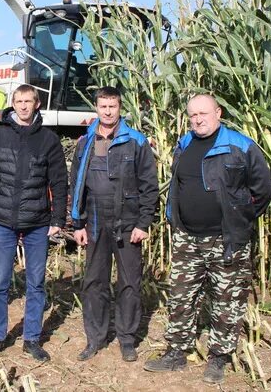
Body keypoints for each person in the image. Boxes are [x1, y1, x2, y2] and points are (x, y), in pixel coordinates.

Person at [143, 94, 271, 384]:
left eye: (203, 113)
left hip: (225, 238)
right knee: (180, 298)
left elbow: (263, 189)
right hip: (187, 238)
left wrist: (240, 216)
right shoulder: (184, 144)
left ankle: (219, 357)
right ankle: (177, 352)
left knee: (227, 301)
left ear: (219, 112)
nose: (198, 119)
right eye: (192, 115)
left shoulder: (240, 146)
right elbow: (178, 185)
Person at [0, 83, 68, 362]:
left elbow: (60, 182)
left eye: (29, 101)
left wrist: (57, 219)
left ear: (36, 104)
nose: (24, 106)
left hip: (38, 223)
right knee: (0, 283)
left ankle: (31, 339)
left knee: (36, 283)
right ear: (13, 104)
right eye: (19, 101)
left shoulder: (48, 139)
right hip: (2, 221)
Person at [69, 86, 158, 363]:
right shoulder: (85, 142)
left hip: (127, 222)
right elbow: (77, 184)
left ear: (120, 108)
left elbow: (149, 185)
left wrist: (143, 223)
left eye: (113, 106)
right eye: (103, 106)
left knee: (129, 282)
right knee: (94, 282)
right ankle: (95, 338)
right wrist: (78, 223)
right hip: (95, 222)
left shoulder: (136, 141)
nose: (108, 112)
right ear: (96, 108)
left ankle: (127, 339)